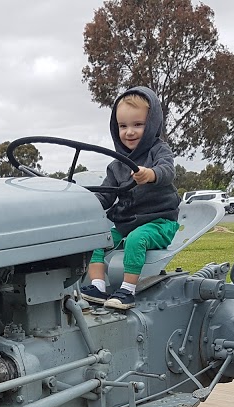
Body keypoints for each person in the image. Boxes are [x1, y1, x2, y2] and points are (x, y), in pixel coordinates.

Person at [81, 86, 180, 310]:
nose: (129, 132)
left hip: (159, 222)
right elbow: (105, 196)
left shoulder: (158, 150)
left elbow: (167, 171)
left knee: (136, 239)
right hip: (127, 223)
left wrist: (150, 174)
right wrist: (83, 205)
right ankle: (97, 286)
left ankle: (127, 291)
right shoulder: (116, 165)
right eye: (123, 126)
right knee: (97, 240)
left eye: (138, 125)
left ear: (152, 124)